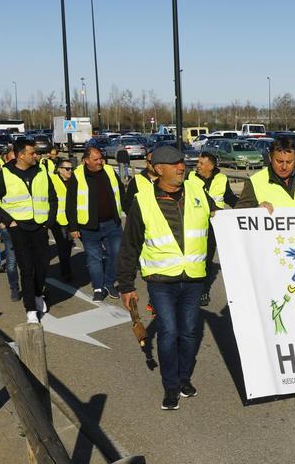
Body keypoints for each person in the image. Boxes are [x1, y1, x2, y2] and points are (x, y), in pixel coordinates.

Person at [117, 146, 217, 410]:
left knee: (189, 332)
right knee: (169, 331)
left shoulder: (198, 192)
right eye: (174, 164)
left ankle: (184, 379)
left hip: (194, 278)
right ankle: (170, 387)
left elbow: (222, 219)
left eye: (182, 162)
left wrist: (257, 211)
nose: (181, 167)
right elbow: (130, 245)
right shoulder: (144, 200)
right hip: (161, 281)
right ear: (158, 169)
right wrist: (126, 286)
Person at [0, 138, 57, 323]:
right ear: (21, 155)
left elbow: (52, 197)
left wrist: (49, 221)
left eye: (36, 153)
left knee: (42, 266)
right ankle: (30, 308)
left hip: (40, 226)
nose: (36, 156)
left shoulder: (41, 172)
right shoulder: (4, 174)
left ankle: (38, 294)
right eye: (32, 153)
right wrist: (8, 221)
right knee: (26, 268)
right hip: (18, 228)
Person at [66, 146, 125, 301]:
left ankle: (109, 282)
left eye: (101, 158)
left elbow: (121, 192)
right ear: (86, 161)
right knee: (95, 258)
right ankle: (98, 287)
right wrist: (72, 227)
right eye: (96, 160)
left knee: (117, 254)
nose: (100, 162)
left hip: (112, 223)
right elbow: (70, 203)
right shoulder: (77, 176)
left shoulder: (110, 171)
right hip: (89, 227)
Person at [187, 151, 238, 305]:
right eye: (198, 163)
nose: (198, 166)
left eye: (201, 163)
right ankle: (190, 288)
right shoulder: (190, 178)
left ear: (211, 166)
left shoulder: (222, 179)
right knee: (193, 258)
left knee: (207, 259)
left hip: (213, 228)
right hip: (193, 225)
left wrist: (249, 209)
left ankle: (203, 290)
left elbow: (230, 198)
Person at [236, 136, 295, 211]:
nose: (284, 167)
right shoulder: (255, 182)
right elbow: (239, 216)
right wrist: (256, 211)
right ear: (270, 157)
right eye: (279, 161)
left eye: (289, 162)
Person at [0, 154, 20, 302]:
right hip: (8, 227)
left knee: (31, 261)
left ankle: (34, 290)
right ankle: (14, 288)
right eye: (12, 158)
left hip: (27, 226)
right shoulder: (1, 177)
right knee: (11, 261)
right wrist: (1, 222)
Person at [49, 157, 75, 281]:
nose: (70, 171)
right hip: (58, 221)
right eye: (67, 169)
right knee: (62, 245)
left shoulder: (74, 181)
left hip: (71, 220)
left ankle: (67, 266)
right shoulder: (52, 180)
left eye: (71, 169)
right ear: (59, 169)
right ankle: (66, 272)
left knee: (68, 245)